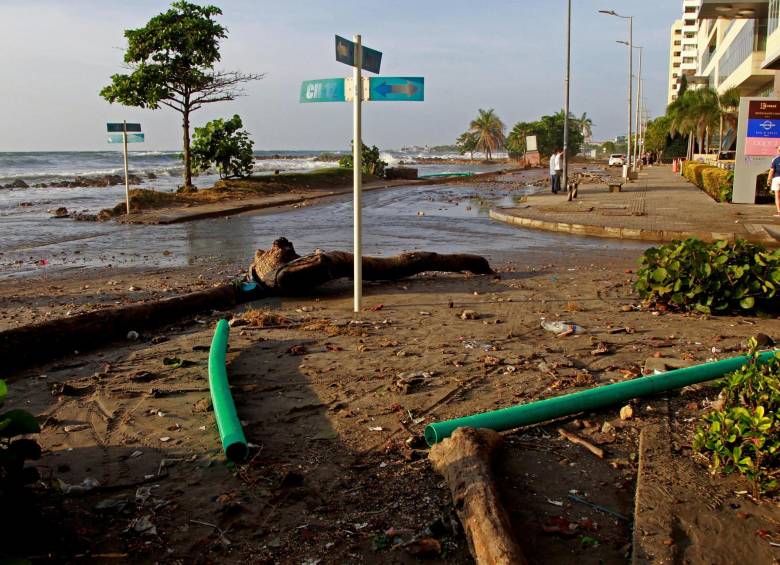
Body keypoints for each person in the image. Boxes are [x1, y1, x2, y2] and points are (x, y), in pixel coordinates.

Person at [768, 145, 780, 217]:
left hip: (776, 179)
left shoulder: (775, 159)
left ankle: (779, 212)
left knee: (777, 196)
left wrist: (769, 179)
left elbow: (772, 170)